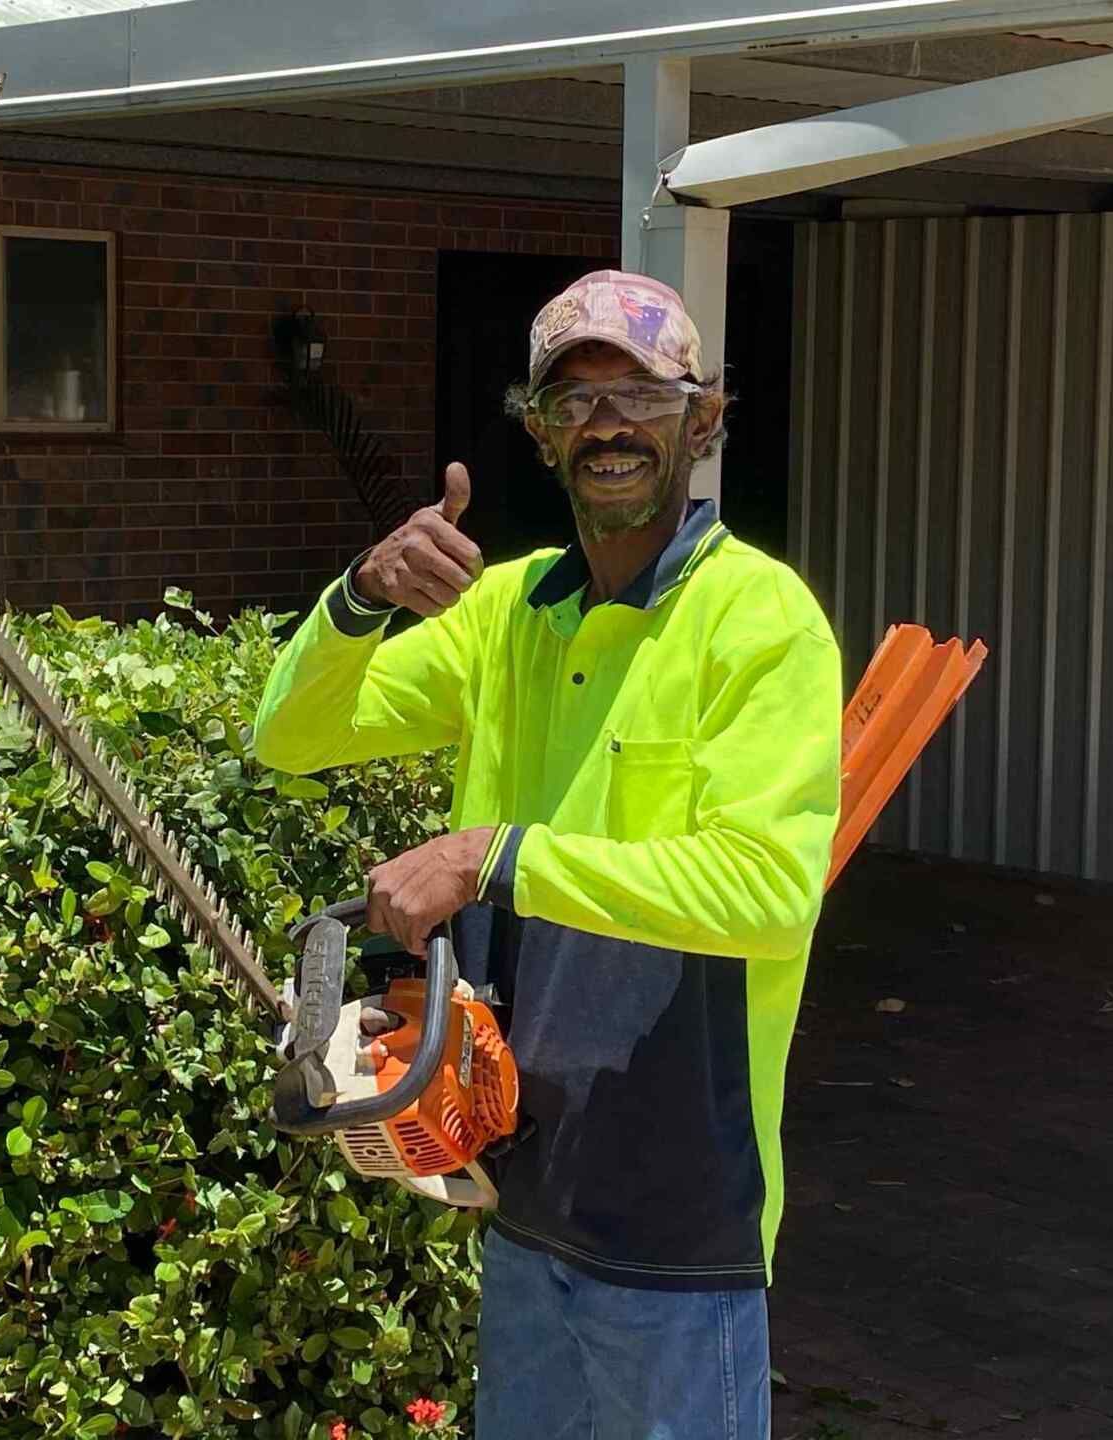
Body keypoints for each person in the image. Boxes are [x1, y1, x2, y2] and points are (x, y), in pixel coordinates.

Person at [251, 271, 843, 1440]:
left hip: (679, 1223)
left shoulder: (761, 620)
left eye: (639, 395)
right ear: (538, 431)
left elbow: (769, 893)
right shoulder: (507, 611)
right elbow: (290, 736)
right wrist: (363, 598)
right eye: (572, 403)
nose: (607, 425)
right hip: (524, 1189)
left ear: (703, 417)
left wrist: (496, 856)